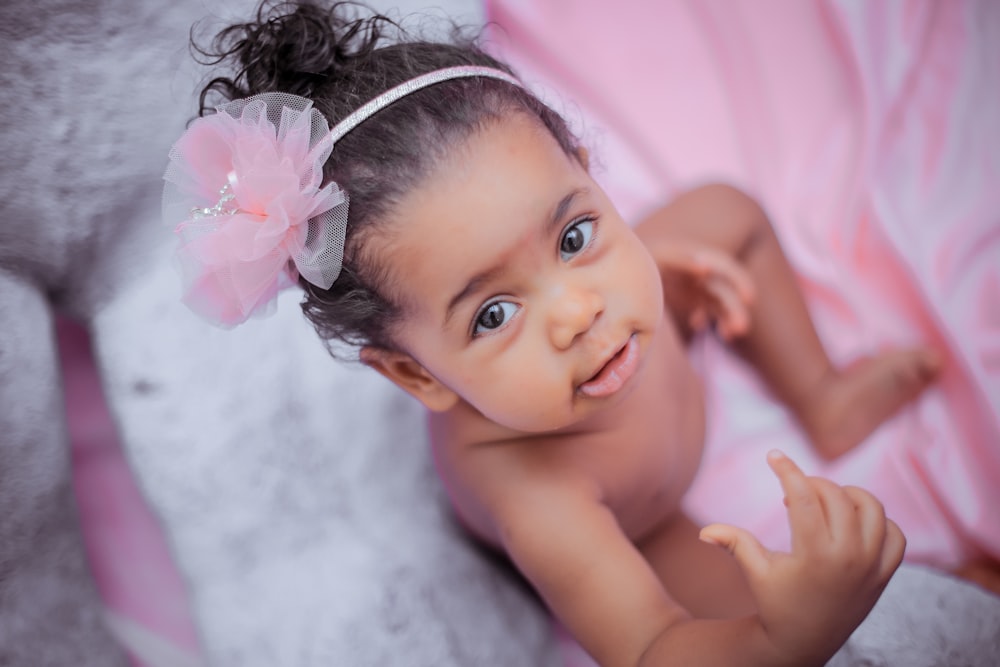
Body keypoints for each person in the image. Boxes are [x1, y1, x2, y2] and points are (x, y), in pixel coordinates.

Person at [163, 2, 944, 664]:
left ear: (588, 168)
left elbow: (596, 265)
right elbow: (647, 645)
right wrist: (788, 637)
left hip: (639, 359)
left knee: (723, 210)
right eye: (493, 314)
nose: (579, 314)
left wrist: (657, 260)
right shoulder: (538, 492)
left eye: (574, 235)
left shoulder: (609, 293)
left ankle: (822, 395)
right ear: (417, 376)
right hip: (648, 519)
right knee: (732, 618)